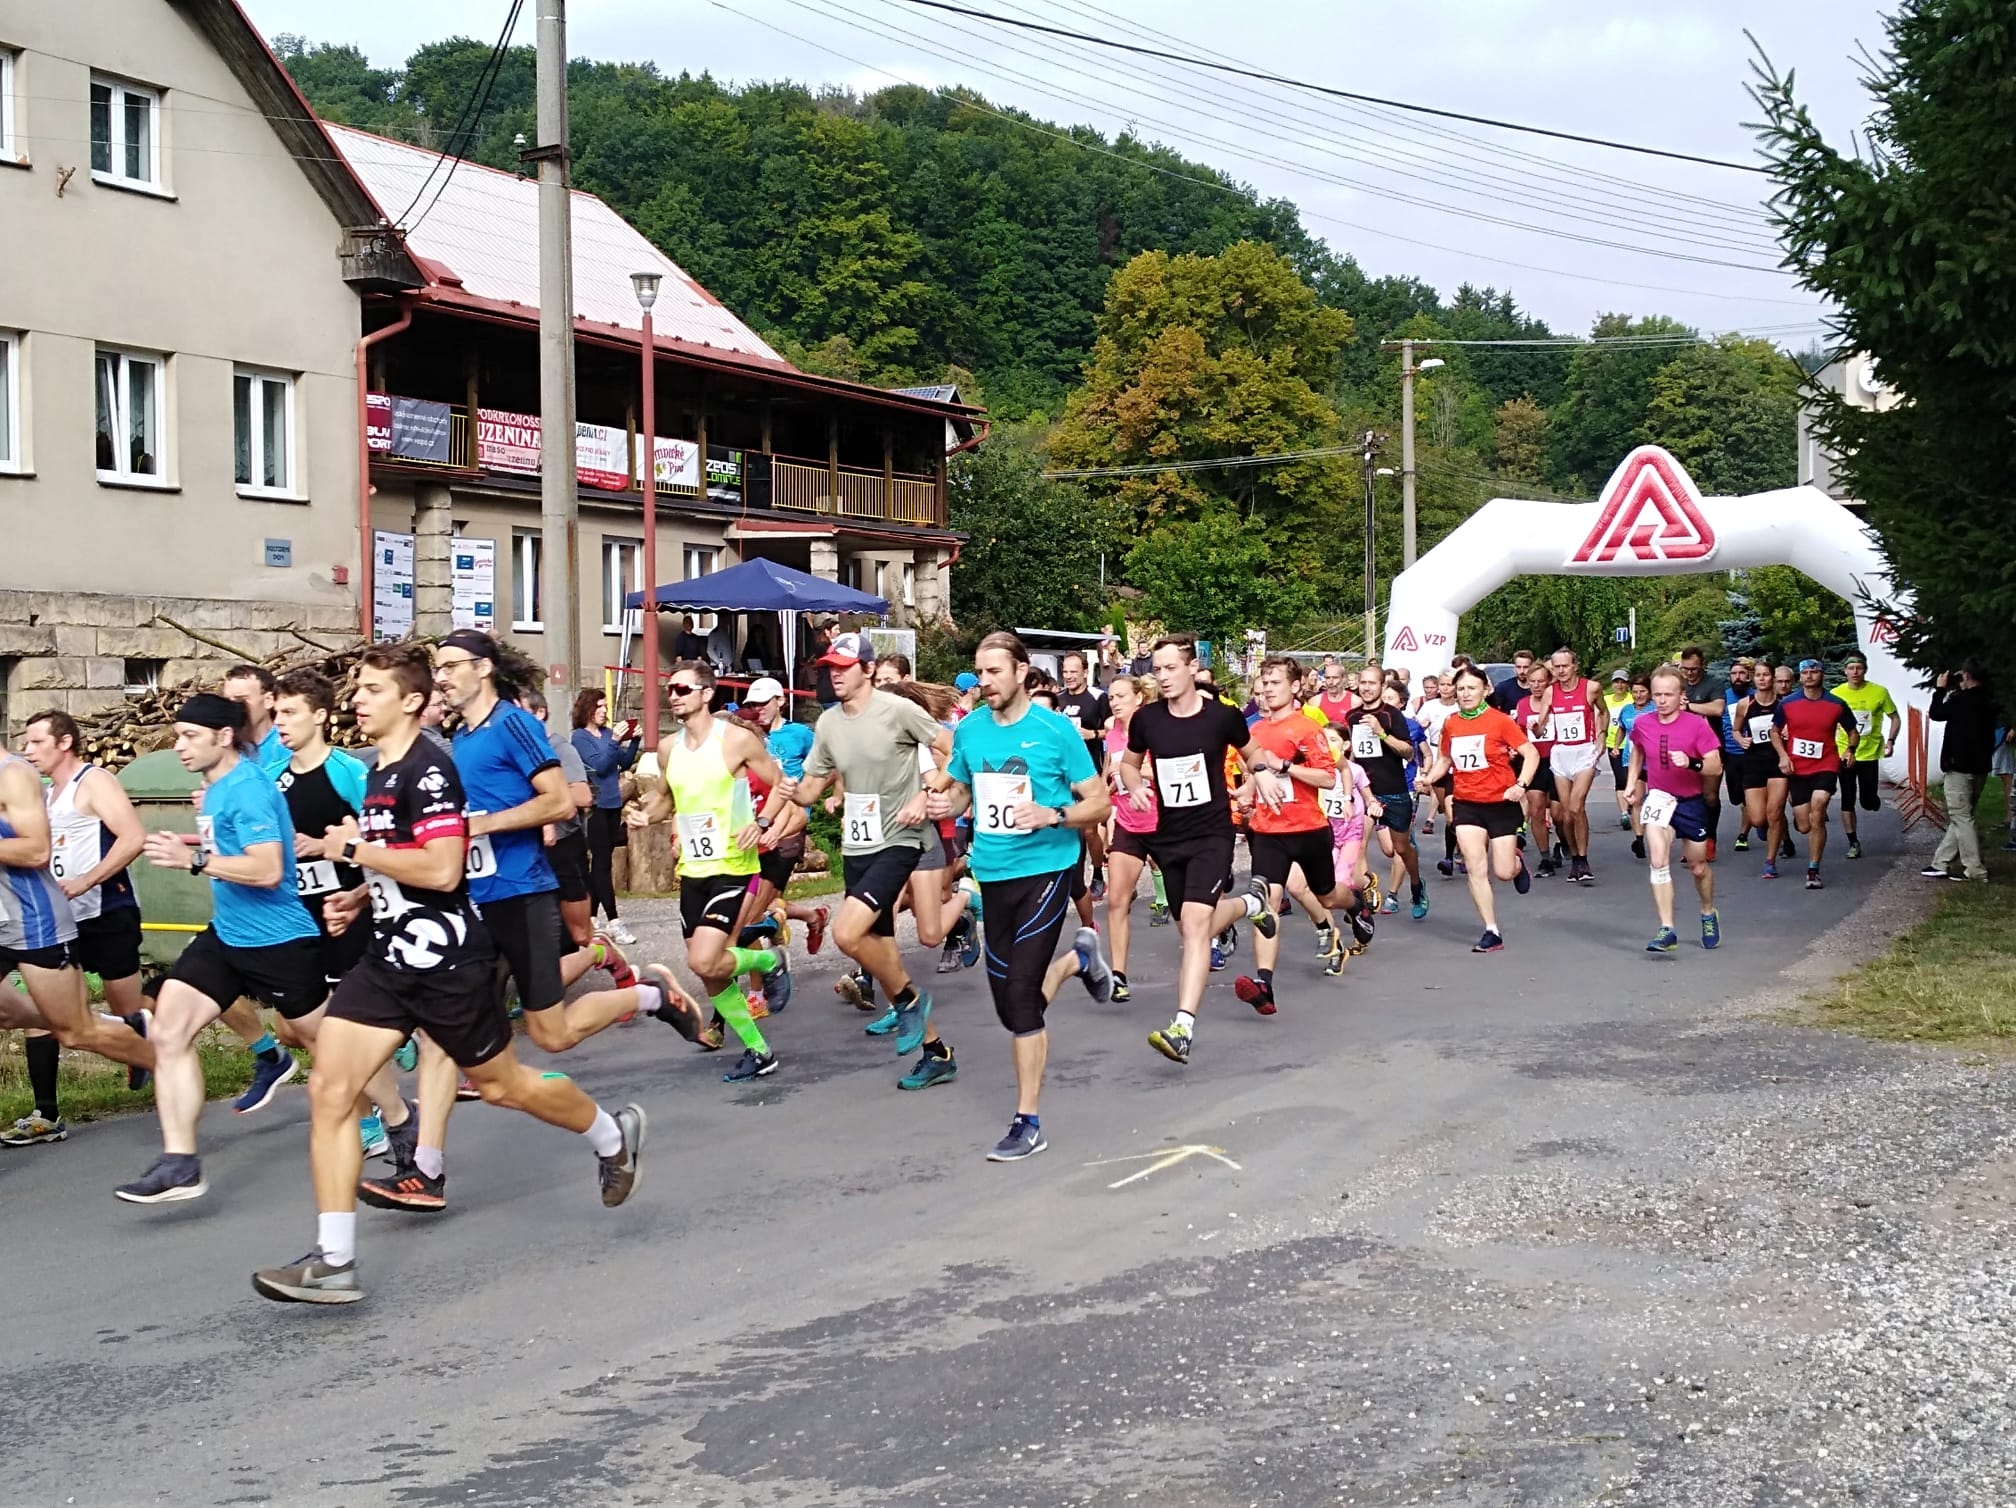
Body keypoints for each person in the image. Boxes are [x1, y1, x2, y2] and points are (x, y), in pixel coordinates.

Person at [251, 645, 646, 1305]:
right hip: (388, 959)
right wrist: (362, 889)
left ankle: (612, 1135)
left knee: (504, 1086)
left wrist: (355, 849)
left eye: (372, 690)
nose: (357, 701)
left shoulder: (429, 771)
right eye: (357, 691)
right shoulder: (382, 772)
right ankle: (334, 1260)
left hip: (446, 963)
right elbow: (401, 863)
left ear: (409, 702)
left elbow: (441, 870)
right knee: (330, 1089)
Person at [372, 632, 684, 1214]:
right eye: (437, 668)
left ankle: (648, 994)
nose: (442, 676)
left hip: (522, 896)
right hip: (469, 906)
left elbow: (562, 802)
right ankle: (426, 1171)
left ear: (483, 669)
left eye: (451, 666)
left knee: (551, 1034)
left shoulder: (512, 723)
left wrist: (484, 825)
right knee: (443, 1038)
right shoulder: (455, 737)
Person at [118, 695, 349, 1203]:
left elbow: (267, 870)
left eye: (189, 737)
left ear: (223, 737)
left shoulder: (245, 789)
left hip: (280, 941)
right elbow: (229, 849)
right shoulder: (216, 787)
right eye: (176, 736)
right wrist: (190, 844)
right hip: (227, 935)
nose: (178, 747)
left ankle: (398, 1117)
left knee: (330, 1048)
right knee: (170, 1028)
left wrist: (194, 861)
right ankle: (180, 1163)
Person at [927, 632, 1113, 1160]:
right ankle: (1077, 960)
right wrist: (947, 806)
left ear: (1021, 672)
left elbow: (1097, 802)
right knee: (1012, 1008)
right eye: (979, 673)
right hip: (994, 872)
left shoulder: (1055, 731)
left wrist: (1054, 814)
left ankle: (1027, 1121)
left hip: (1048, 869)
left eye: (993, 672)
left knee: (1024, 1004)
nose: (984, 682)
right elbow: (964, 789)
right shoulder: (970, 730)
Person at [764, 632, 959, 1091]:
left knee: (846, 933)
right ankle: (937, 1052)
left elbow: (953, 750)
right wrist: (794, 791)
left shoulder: (899, 711)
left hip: (901, 839)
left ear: (867, 670)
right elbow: (813, 788)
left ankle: (910, 1000)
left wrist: (930, 793)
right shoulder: (829, 724)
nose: (834, 673)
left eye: (844, 666)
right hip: (858, 844)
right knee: (885, 954)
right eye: (830, 665)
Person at [1116, 636, 1281, 1066]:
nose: (1163, 677)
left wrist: (1259, 775)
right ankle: (1249, 903)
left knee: (1194, 927)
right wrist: (1134, 785)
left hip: (1212, 833)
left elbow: (1252, 752)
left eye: (1171, 668)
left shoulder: (1222, 717)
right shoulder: (1147, 720)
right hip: (1168, 837)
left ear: (1192, 668)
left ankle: (1182, 1028)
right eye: (1157, 669)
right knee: (1195, 930)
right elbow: (1129, 764)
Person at [273, 668, 415, 1158]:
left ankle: (373, 1119)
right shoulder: (276, 777)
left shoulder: (349, 773)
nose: (279, 723)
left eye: (289, 712)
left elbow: (386, 836)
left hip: (354, 910)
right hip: (301, 914)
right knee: (291, 1028)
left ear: (320, 715)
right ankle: (396, 1040)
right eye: (275, 713)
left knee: (339, 1026)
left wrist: (331, 848)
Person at [627, 661, 789, 1081]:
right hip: (694, 869)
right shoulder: (668, 748)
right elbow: (666, 799)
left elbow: (780, 783)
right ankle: (758, 1050)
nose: (674, 695)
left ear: (706, 694)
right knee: (707, 970)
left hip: (733, 865)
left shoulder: (736, 740)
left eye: (683, 688)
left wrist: (763, 823)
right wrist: (648, 816)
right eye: (670, 689)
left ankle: (769, 961)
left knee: (705, 958)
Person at [0, 740, 152, 1146]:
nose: (32, 747)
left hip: (38, 919)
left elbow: (36, 849)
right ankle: (46, 1111)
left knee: (76, 1031)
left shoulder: (15, 775)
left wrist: (87, 880)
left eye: (39, 740)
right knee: (11, 1014)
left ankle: (168, 1063)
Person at [1228, 658, 1375, 1015]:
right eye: (1264, 682)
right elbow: (1256, 778)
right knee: (1265, 901)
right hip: (1267, 831)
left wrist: (1287, 767)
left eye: (1275, 681)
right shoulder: (1253, 732)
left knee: (1326, 896)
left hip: (1309, 829)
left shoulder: (1308, 728)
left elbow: (1327, 778)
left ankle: (1356, 905)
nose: (1267, 688)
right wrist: (1244, 794)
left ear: (1295, 687)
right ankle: (1265, 984)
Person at [1413, 664, 1537, 953]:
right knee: (1475, 866)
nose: (1465, 694)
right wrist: (1428, 779)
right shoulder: (1452, 723)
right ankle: (1491, 930)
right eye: (1461, 689)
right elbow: (1445, 759)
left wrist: (1521, 784)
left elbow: (1529, 754)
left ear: (1486, 690)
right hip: (1467, 802)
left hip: (1501, 803)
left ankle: (1517, 866)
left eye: (1471, 688)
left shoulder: (1501, 721)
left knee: (1503, 872)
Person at [1623, 666, 1723, 952]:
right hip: (1659, 798)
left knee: (1698, 866)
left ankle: (1707, 912)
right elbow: (1638, 751)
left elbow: (1715, 766)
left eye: (1668, 694)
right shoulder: (1643, 723)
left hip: (1691, 802)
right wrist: (1632, 782)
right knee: (1657, 859)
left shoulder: (1697, 725)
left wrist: (1692, 763)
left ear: (1682, 695)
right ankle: (1667, 929)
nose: (1662, 700)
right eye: (1657, 695)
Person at [736, 678, 829, 954]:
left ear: (780, 701)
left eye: (763, 702)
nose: (757, 709)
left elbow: (827, 764)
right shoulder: (746, 736)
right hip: (755, 826)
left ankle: (762, 980)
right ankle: (811, 917)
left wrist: (813, 793)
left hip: (788, 824)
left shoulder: (799, 734)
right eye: (752, 704)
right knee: (759, 903)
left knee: (753, 912)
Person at [1769, 658, 1860, 890]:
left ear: (1822, 675)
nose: (1809, 676)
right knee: (1804, 825)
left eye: (1814, 672)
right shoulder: (1788, 703)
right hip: (1798, 768)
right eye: (1805, 672)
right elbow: (1774, 731)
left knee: (1818, 809)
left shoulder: (1836, 704)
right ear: (1800, 677)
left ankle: (1813, 869)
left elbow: (1852, 731)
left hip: (1826, 764)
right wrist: (1783, 755)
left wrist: (1850, 749)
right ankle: (1809, 825)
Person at [522, 689, 598, 951]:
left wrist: (546, 796)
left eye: (521, 713)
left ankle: (602, 952)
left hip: (565, 844)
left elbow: (583, 795)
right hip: (532, 845)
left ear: (539, 713)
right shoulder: (517, 751)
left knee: (578, 935)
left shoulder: (560, 748)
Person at [1349, 665, 1427, 920]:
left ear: (1382, 687)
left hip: (1395, 791)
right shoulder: (1351, 716)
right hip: (1366, 792)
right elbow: (1351, 755)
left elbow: (1408, 752)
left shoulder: (1392, 715)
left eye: (1372, 683)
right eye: (1363, 683)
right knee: (1359, 846)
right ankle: (1361, 900)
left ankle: (1416, 885)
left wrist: (1381, 733)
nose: (1367, 688)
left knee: (1401, 849)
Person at [1100, 673, 1160, 1002]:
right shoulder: (1113, 735)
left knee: (1184, 907)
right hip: (1128, 823)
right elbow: (1110, 772)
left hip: (1164, 824)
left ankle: (1217, 932)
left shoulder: (1155, 728)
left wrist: (1134, 771)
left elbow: (1169, 767)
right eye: (1111, 697)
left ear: (1139, 697)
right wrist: (1101, 793)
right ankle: (1118, 975)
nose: (1116, 702)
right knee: (1116, 901)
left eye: (1122, 696)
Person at [570, 688, 638, 945]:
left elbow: (624, 762)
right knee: (602, 864)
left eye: (606, 706)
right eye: (600, 706)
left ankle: (590, 918)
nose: (604, 711)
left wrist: (633, 741)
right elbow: (599, 766)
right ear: (588, 708)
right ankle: (614, 920)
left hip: (613, 803)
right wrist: (613, 742)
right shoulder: (579, 737)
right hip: (595, 805)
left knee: (602, 861)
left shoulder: (608, 734)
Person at [1924, 662, 1996, 883]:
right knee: (1963, 815)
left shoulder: (1960, 701)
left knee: (1961, 817)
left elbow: (1935, 713)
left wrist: (1940, 689)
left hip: (1959, 766)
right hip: (1981, 765)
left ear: (1966, 675)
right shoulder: (1990, 700)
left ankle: (1974, 869)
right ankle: (1941, 862)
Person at [1542, 647, 1608, 884]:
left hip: (1584, 752)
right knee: (1567, 815)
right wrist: (1537, 727)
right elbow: (1542, 724)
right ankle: (1574, 857)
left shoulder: (1591, 688)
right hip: (1561, 753)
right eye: (1556, 666)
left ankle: (1583, 859)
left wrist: (1601, 735)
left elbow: (1604, 711)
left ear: (1575, 666)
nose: (1560, 670)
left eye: (1564, 666)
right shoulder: (1550, 692)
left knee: (1576, 806)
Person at [1830, 653, 1900, 861]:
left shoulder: (1879, 692)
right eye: (1851, 668)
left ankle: (1871, 799)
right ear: (1845, 671)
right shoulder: (1836, 694)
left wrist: (1891, 740)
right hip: (1845, 753)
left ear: (1865, 670)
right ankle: (1853, 841)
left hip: (1869, 753)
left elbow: (1895, 718)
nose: (1855, 672)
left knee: (1868, 801)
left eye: (1859, 668)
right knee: (1847, 798)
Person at [1054, 651, 1111, 900]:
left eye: (1073, 672)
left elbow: (1114, 731)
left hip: (1091, 771)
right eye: (1065, 672)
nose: (1068, 676)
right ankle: (1072, 880)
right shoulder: (1058, 699)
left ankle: (1098, 872)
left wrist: (1094, 735)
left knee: (1089, 831)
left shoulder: (1098, 698)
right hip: (1064, 775)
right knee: (1067, 826)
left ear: (1085, 672)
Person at [1731, 670, 1790, 878]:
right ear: (1753, 679)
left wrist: (1788, 733)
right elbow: (1735, 729)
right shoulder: (1745, 704)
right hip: (1753, 762)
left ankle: (1770, 861)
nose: (1762, 679)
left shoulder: (1784, 703)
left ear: (1772, 678)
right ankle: (1780, 833)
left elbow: (1796, 727)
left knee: (1774, 812)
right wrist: (1740, 739)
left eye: (1766, 675)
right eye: (1758, 675)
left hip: (1778, 761)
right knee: (1758, 818)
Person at [1676, 647, 1727, 859]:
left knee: (1710, 796)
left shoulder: (1713, 683)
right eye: (1685, 669)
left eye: (1693, 669)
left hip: (1710, 748)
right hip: (1684, 748)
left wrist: (1690, 707)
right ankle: (1693, 840)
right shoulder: (1678, 684)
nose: (1689, 673)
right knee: (1687, 796)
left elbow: (1717, 709)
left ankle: (1710, 838)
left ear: (1702, 665)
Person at [1512, 662, 1561, 876]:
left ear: (1549, 682)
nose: (1536, 685)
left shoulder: (1557, 702)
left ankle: (1564, 842)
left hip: (1558, 758)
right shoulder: (1522, 704)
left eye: (1541, 681)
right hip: (1534, 761)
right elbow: (1518, 733)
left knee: (1560, 814)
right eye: (1532, 681)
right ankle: (1545, 857)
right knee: (1537, 809)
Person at [223, 663, 291, 775]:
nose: (232, 706)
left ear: (268, 700)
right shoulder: (224, 745)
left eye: (241, 699)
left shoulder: (286, 745)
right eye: (227, 700)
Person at [1717, 659, 1756, 851]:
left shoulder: (1757, 696)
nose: (1737, 677)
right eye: (1734, 673)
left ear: (1749, 676)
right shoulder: (1724, 697)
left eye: (1741, 673)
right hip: (1731, 753)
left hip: (1753, 753)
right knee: (1736, 797)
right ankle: (1755, 817)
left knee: (1750, 795)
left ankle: (1743, 834)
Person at [1604, 669, 1634, 829]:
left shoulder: (1632, 699)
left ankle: (1632, 804)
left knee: (1633, 778)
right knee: (1620, 778)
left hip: (1632, 745)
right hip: (1613, 745)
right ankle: (1624, 813)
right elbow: (1601, 719)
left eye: (1622, 682)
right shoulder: (1606, 700)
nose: (1619, 685)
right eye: (1617, 682)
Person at [1490, 650, 1535, 714]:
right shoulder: (1503, 688)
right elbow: (1492, 711)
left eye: (1525, 667)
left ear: (1532, 667)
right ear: (1514, 668)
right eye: (1518, 667)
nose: (1522, 671)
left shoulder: (1538, 688)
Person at [1313, 659, 1356, 725]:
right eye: (1327, 678)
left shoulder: (1355, 702)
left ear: (1343, 679)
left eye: (1335, 678)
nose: (1331, 682)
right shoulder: (1315, 701)